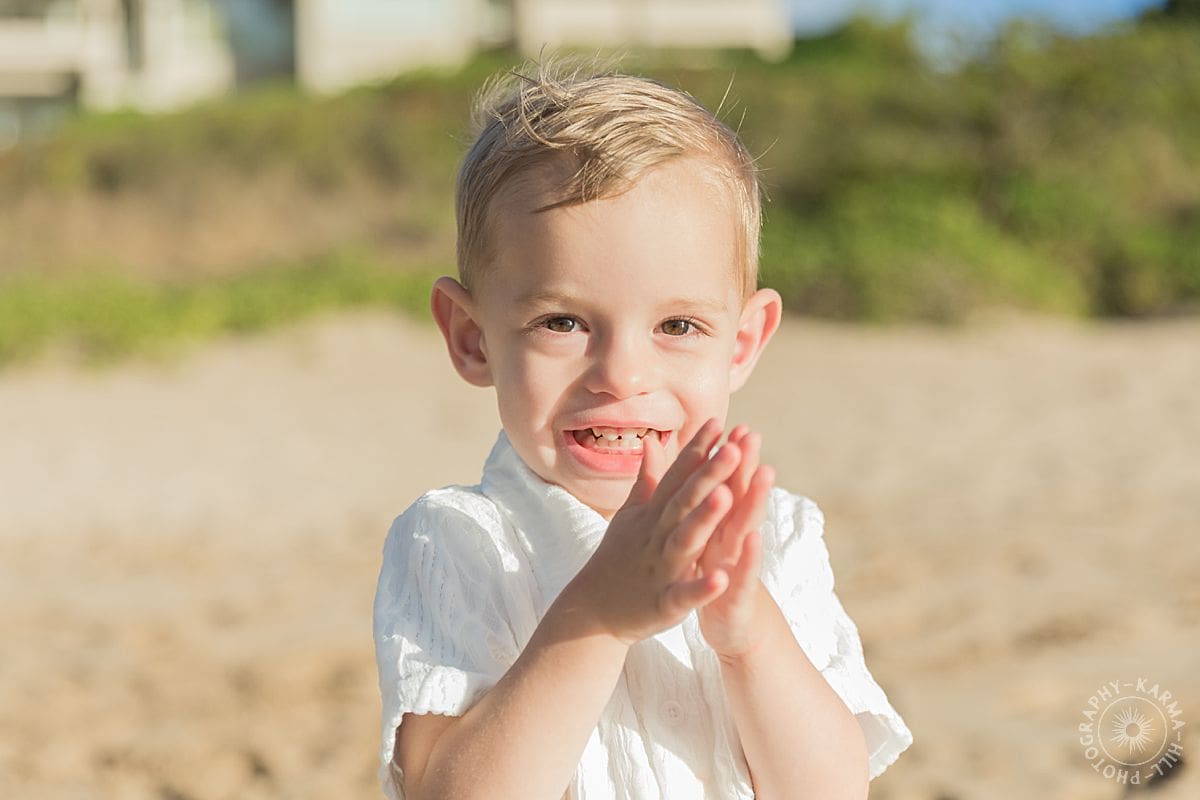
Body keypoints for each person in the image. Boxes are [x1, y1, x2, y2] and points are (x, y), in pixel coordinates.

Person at [372, 59, 913, 800]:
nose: (622, 375)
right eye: (561, 322)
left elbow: (830, 787)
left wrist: (749, 635)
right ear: (472, 338)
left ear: (744, 343)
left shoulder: (775, 537)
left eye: (678, 325)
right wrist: (597, 611)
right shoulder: (457, 541)